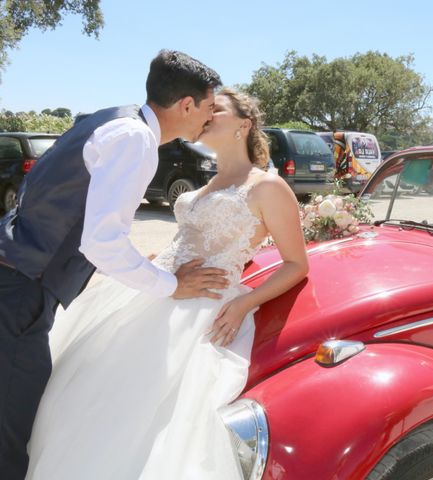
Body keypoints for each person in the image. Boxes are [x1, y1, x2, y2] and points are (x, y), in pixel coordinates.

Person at [25, 88, 309, 479]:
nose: (207, 114)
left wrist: (245, 303)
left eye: (217, 109)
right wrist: (151, 266)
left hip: (203, 308)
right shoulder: (205, 184)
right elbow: (183, 242)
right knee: (93, 392)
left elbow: (296, 263)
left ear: (244, 125)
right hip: (156, 292)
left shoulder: (266, 187)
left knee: (150, 413)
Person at [0, 50, 227, 479]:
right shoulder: (136, 140)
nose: (209, 119)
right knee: (12, 430)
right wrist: (170, 285)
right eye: (208, 108)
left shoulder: (111, 120)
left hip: (16, 275)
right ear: (185, 105)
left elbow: (74, 212)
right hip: (20, 292)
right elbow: (103, 243)